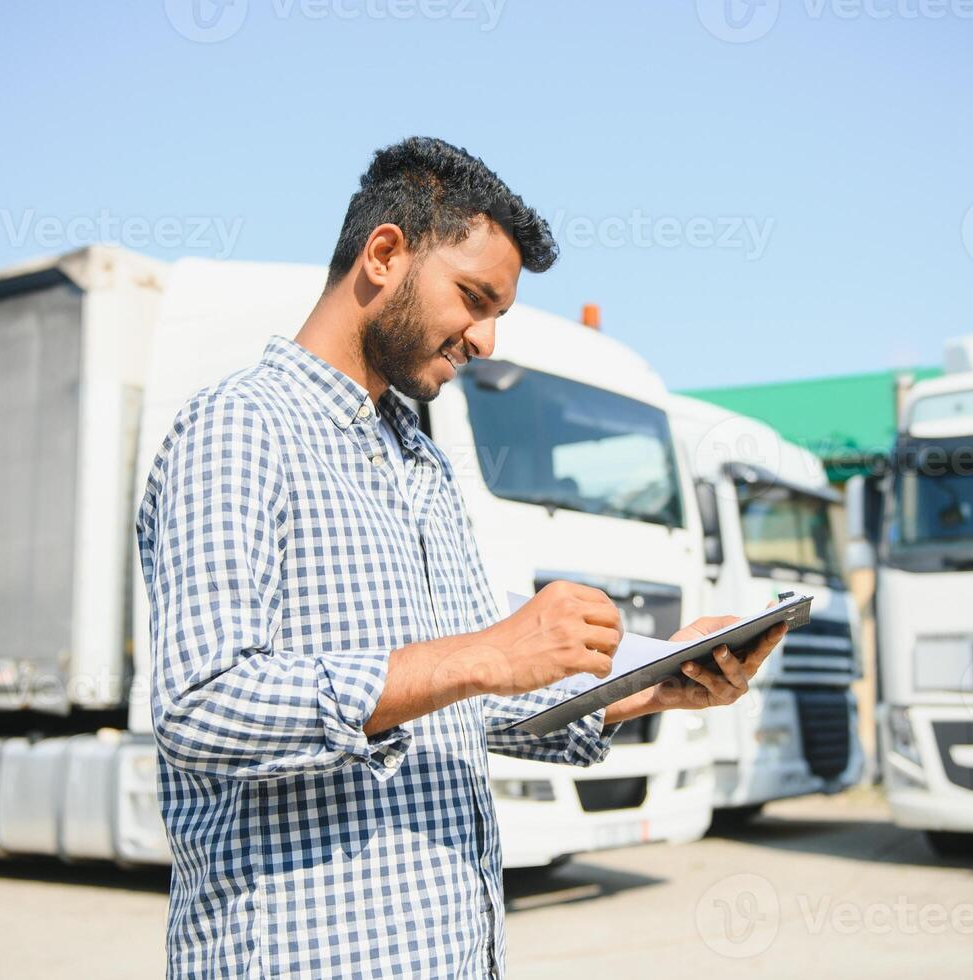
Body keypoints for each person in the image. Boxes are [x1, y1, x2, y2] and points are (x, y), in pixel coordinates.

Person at [136, 136, 787, 979]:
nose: (484, 339)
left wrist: (650, 682)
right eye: (473, 299)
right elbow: (199, 707)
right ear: (383, 255)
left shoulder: (422, 460)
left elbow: (464, 704)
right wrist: (484, 653)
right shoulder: (238, 429)